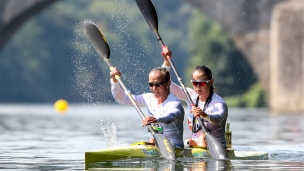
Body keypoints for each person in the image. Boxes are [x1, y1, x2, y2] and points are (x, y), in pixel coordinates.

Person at [161, 46, 228, 148]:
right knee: (185, 140)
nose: (197, 86)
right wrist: (166, 62)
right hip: (196, 144)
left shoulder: (218, 103)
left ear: (211, 82)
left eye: (201, 83)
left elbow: (218, 118)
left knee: (202, 137)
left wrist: (204, 115)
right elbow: (166, 84)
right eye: (194, 83)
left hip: (217, 146)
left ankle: (200, 161)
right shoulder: (190, 95)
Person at [110, 67, 185, 148]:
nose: (154, 88)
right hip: (155, 145)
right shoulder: (148, 98)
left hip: (174, 147)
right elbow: (122, 98)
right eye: (151, 84)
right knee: (147, 142)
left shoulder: (174, 103)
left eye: (158, 84)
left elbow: (173, 115)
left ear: (168, 84)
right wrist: (115, 81)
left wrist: (156, 119)